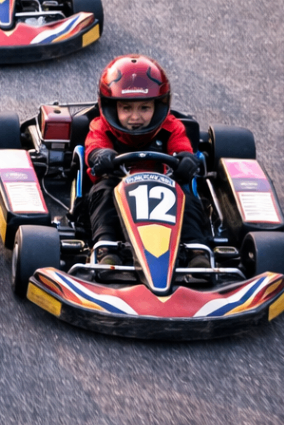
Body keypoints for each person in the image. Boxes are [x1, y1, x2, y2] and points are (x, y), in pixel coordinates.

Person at [82, 54, 211, 269]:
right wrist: (100, 156)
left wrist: (186, 160)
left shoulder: (171, 127)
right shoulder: (100, 127)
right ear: (112, 107)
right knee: (102, 192)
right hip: (116, 189)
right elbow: (94, 148)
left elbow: (182, 148)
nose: (135, 117)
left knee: (187, 197)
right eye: (126, 108)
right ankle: (106, 248)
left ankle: (197, 249)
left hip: (164, 190)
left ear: (158, 106)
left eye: (144, 108)